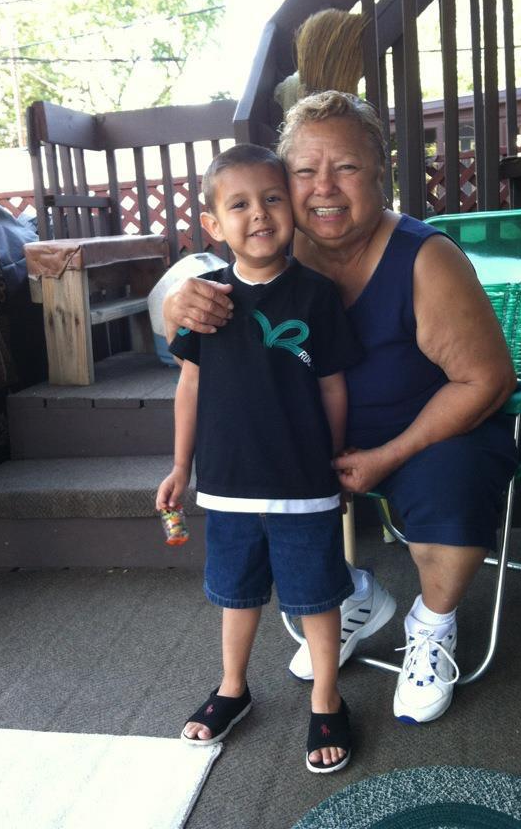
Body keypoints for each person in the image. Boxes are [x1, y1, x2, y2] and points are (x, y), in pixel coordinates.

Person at [162, 91, 519, 727]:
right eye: (304, 172)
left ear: (381, 174)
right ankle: (353, 594)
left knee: (453, 485)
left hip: (427, 435)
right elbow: (202, 305)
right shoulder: (275, 250)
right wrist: (175, 304)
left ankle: (432, 625)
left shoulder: (424, 259)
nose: (324, 187)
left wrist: (390, 455)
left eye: (347, 168)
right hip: (309, 443)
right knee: (258, 516)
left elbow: (486, 381)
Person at [156, 143, 363, 773]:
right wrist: (179, 467)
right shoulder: (206, 300)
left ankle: (328, 700)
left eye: (273, 198)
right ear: (215, 227)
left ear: (293, 211)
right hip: (227, 487)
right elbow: (187, 386)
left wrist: (333, 459)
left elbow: (332, 384)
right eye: (239, 204)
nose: (260, 214)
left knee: (317, 598)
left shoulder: (317, 296)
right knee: (236, 595)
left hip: (304, 485)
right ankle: (232, 689)